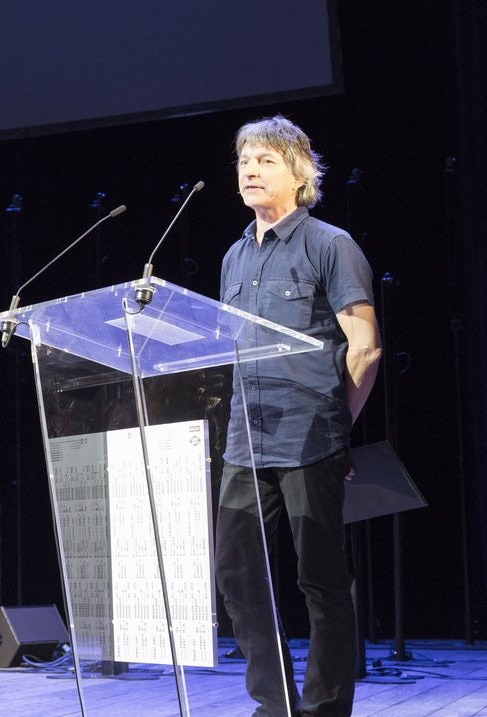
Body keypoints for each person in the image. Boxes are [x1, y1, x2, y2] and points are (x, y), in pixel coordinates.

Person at [214, 116, 382, 717]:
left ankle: (325, 709)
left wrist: (337, 428)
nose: (250, 171)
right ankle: (275, 705)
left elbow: (364, 347)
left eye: (265, 161)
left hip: (312, 440)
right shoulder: (234, 256)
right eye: (244, 162)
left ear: (299, 172)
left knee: (322, 581)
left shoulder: (330, 245)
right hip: (245, 440)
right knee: (237, 576)